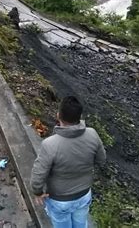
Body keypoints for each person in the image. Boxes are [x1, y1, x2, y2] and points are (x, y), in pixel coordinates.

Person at [31, 96, 106, 228]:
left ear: (58, 115)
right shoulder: (92, 134)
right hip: (84, 195)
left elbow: (39, 173)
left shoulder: (50, 144)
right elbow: (101, 160)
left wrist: (37, 191)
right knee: (81, 223)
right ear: (79, 116)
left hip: (59, 200)